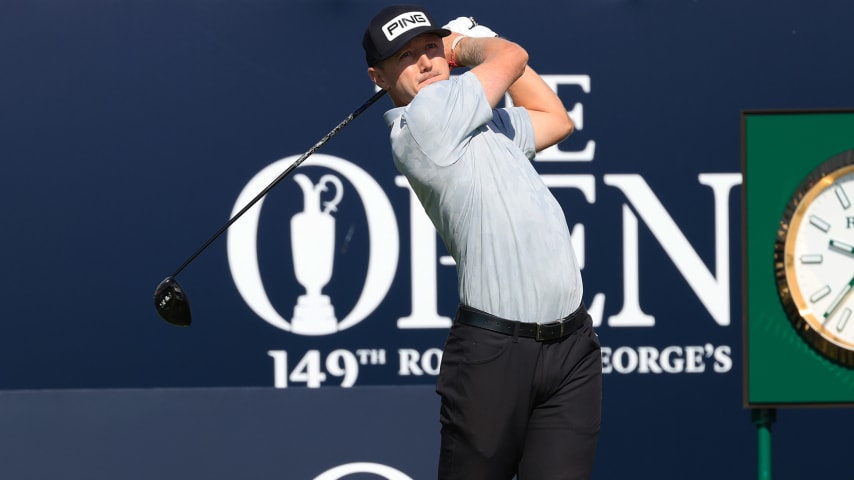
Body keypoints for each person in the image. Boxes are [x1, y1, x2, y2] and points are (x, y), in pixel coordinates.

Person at [362, 5, 602, 479]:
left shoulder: (477, 122)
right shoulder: (424, 122)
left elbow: (554, 118)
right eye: (406, 57)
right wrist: (466, 45)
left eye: (430, 47)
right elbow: (512, 56)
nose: (426, 62)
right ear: (379, 78)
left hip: (571, 347)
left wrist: (473, 47)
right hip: (495, 355)